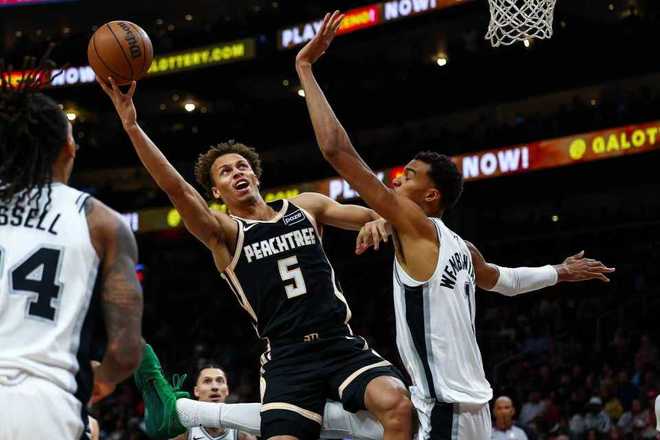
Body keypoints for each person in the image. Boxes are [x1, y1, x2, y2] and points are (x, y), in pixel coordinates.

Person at [294, 11, 615, 439]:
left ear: (430, 196)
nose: (396, 180)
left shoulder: (417, 226)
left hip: (445, 407)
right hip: (475, 406)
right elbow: (504, 280)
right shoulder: (462, 247)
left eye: (408, 176)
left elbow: (337, 151)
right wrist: (559, 271)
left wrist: (305, 67)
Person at [98, 74, 412, 440]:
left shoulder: (306, 206)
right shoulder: (225, 232)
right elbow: (177, 189)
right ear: (217, 192)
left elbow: (383, 214)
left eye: (242, 166)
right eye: (225, 172)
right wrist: (133, 127)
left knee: (397, 404)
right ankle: (187, 413)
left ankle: (189, 411)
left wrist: (378, 221)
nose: (236, 173)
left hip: (339, 342)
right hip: (288, 357)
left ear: (256, 175)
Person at [0, 56, 144, 438]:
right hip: (41, 407)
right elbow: (126, 351)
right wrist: (104, 378)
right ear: (68, 147)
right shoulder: (102, 222)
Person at [171, 364, 257, 440]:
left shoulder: (243, 434)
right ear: (196, 391)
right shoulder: (183, 431)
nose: (215, 387)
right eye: (207, 381)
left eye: (220, 381)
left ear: (227, 390)